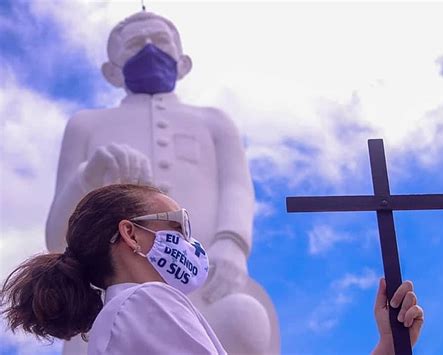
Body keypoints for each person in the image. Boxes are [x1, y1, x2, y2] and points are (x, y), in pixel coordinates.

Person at [45, 11, 276, 354]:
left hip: (207, 282)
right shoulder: (87, 125)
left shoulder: (214, 122)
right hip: (115, 288)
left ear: (184, 62)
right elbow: (55, 238)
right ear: (111, 71)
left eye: (161, 41)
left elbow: (236, 187)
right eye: (136, 44)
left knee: (244, 320)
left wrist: (232, 244)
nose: (150, 49)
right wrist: (86, 178)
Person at [2, 184, 423, 355]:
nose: (191, 243)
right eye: (179, 226)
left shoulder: (129, 312)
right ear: (130, 235)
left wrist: (386, 346)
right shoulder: (144, 302)